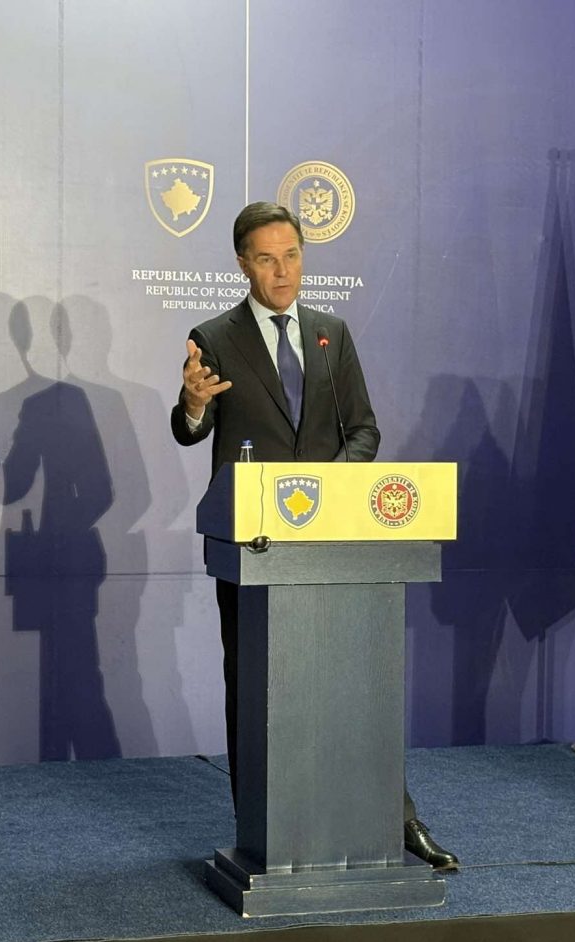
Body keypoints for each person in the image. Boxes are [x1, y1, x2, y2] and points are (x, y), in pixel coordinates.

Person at [169, 202, 458, 871]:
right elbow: (189, 431)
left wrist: (330, 490)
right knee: (256, 688)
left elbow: (364, 428)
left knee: (352, 683)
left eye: (292, 256)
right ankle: (261, 829)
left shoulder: (331, 334)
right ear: (243, 264)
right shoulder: (214, 337)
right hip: (255, 547)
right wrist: (193, 403)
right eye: (266, 259)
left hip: (333, 542)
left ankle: (393, 819)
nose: (282, 272)